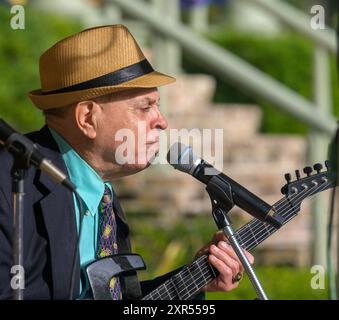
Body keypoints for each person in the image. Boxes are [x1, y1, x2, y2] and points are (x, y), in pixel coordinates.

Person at [0, 24, 253, 300]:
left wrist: (195, 279)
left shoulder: (102, 195)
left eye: (157, 106)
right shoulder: (10, 183)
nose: (161, 121)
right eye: (145, 107)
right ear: (87, 118)